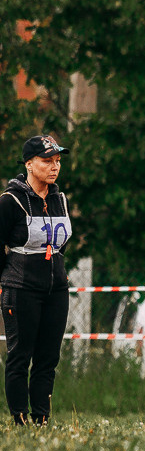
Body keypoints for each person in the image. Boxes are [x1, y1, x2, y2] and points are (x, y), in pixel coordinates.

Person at [0, 135, 73, 425]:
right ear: (29, 164)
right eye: (47, 161)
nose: (54, 167)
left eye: (57, 161)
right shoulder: (10, 201)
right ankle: (20, 418)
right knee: (20, 356)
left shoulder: (59, 199)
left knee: (48, 358)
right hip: (21, 287)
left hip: (56, 288)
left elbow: (61, 243)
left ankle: (41, 417)